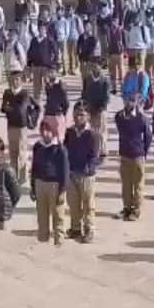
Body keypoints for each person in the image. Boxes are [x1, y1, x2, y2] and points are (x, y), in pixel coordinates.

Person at [63, 103, 101, 243]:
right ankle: (75, 228)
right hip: (72, 173)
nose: (78, 117)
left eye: (81, 114)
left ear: (88, 116)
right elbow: (65, 150)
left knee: (88, 204)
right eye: (76, 114)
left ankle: (89, 228)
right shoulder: (70, 132)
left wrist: (87, 169)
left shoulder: (93, 134)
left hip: (86, 175)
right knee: (73, 203)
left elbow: (95, 155)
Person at [30, 120, 70, 246]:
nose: (45, 133)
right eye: (43, 130)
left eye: (48, 130)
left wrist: (62, 190)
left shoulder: (60, 149)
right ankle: (42, 238)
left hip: (55, 185)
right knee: (41, 214)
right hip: (40, 183)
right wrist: (32, 186)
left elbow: (64, 172)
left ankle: (59, 240)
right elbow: (34, 167)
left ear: (53, 132)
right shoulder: (38, 146)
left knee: (58, 214)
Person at [115, 92, 154, 221]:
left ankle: (136, 210)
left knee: (138, 185)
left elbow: (148, 136)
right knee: (125, 184)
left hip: (137, 155)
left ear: (136, 102)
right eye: (126, 100)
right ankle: (126, 207)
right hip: (124, 154)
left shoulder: (142, 118)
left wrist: (144, 151)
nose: (128, 103)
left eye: (132, 100)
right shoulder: (119, 116)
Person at [1, 70, 40, 185]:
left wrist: (32, 119)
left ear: (21, 81)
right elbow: (3, 107)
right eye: (12, 80)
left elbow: (22, 108)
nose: (14, 82)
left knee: (21, 153)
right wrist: (10, 108)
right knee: (12, 153)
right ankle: (14, 176)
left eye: (17, 80)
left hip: (21, 127)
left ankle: (23, 178)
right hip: (11, 126)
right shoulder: (7, 92)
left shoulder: (25, 93)